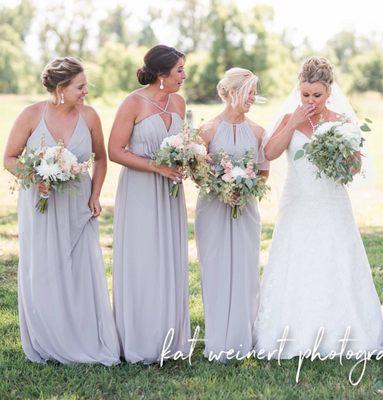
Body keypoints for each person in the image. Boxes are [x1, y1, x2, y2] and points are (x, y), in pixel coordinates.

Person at [253, 57, 383, 359]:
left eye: (317, 95)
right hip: (297, 202)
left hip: (330, 203)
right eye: (305, 95)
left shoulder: (342, 121)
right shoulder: (290, 117)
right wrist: (295, 123)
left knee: (334, 257)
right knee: (295, 259)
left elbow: (354, 168)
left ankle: (341, 330)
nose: (310, 101)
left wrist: (338, 153)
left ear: (329, 92)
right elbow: (270, 153)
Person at [3, 57, 120, 365]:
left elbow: (101, 159)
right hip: (41, 204)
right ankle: (49, 336)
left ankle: (83, 335)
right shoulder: (31, 115)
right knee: (45, 268)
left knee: (80, 269)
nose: (86, 91)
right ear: (60, 88)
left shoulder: (91, 116)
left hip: (79, 203)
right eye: (80, 86)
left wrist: (95, 194)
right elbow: (11, 158)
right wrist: (36, 176)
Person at [108, 45, 190, 363]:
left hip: (170, 192)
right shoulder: (132, 103)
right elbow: (115, 150)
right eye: (180, 70)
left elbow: (183, 142)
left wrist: (186, 161)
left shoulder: (179, 102)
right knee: (143, 258)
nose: (184, 75)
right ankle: (140, 340)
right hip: (141, 190)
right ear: (161, 74)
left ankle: (168, 338)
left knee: (168, 258)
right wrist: (157, 167)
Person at [194, 68, 269, 362]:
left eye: (254, 92)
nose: (253, 98)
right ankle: (218, 339)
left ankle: (241, 337)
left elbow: (263, 172)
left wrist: (244, 189)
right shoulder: (208, 130)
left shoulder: (259, 132)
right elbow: (198, 174)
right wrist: (221, 188)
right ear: (234, 92)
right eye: (250, 92)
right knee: (215, 268)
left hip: (247, 208)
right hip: (213, 208)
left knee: (246, 269)